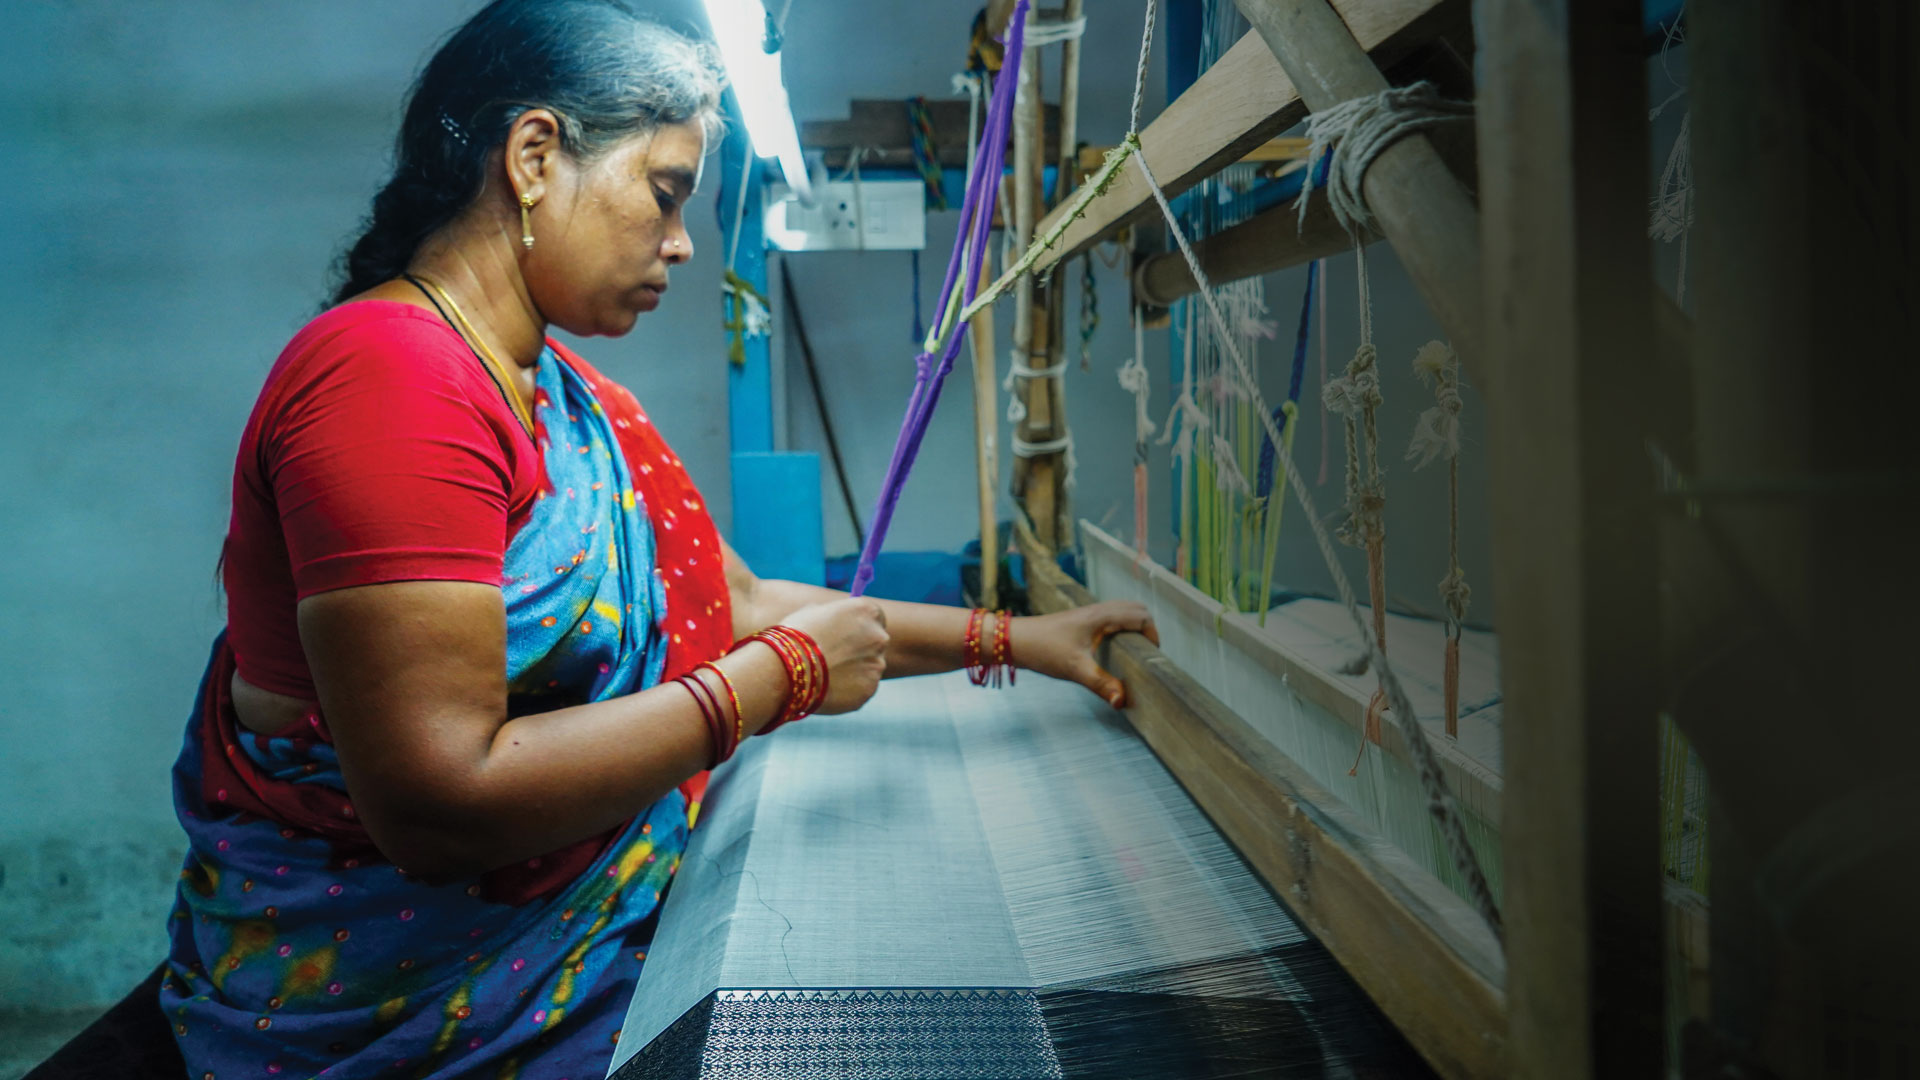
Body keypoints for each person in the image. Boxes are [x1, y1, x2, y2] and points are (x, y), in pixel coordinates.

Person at [162, 2, 1157, 1077]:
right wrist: (770, 686)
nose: (682, 241)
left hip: (536, 954)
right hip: (403, 999)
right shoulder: (394, 383)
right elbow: (438, 807)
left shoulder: (568, 399)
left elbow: (742, 606)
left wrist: (1023, 642)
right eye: (665, 192)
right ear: (535, 157)